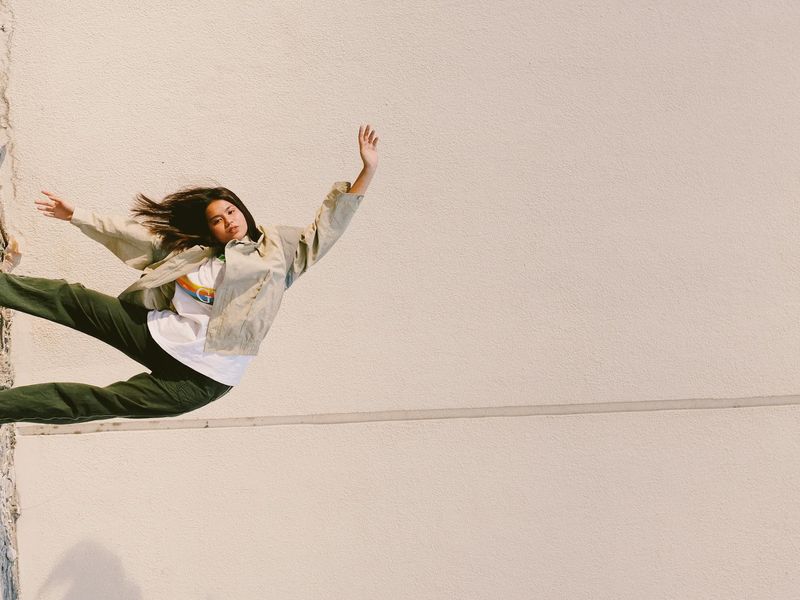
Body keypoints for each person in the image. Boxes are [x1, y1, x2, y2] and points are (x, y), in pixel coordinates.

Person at [0, 124, 379, 424]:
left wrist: (367, 169)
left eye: (231, 212)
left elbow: (325, 231)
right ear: (209, 229)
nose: (228, 221)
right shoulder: (196, 255)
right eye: (217, 219)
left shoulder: (277, 256)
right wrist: (76, 215)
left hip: (202, 379)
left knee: (90, 402)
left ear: (242, 211)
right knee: (73, 299)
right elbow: (135, 236)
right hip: (159, 334)